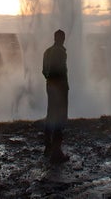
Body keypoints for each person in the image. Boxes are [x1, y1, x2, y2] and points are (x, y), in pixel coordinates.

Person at [42, 29, 69, 163]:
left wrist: (50, 81)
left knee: (50, 114)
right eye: (63, 37)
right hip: (59, 87)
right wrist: (60, 85)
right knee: (59, 116)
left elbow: (44, 71)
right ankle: (56, 152)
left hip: (50, 86)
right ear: (61, 38)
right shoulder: (60, 52)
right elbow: (58, 69)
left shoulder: (47, 51)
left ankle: (47, 147)